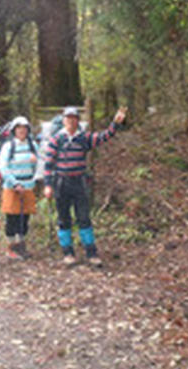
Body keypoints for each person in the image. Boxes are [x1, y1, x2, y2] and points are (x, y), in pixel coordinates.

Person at [43, 106, 127, 266]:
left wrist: (115, 124)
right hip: (61, 183)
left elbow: (104, 137)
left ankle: (91, 253)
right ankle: (68, 253)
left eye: (74, 118)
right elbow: (48, 165)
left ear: (77, 120)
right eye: (68, 118)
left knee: (84, 218)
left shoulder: (84, 138)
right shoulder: (56, 139)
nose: (71, 121)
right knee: (63, 219)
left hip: (79, 183)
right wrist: (48, 185)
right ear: (63, 120)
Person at [0, 116, 39, 260]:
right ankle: (10, 247)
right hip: (11, 187)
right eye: (19, 128)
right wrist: (15, 183)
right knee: (12, 217)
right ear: (14, 130)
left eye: (24, 128)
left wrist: (35, 161)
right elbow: (3, 167)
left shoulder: (33, 145)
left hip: (28, 186)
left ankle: (21, 245)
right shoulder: (8, 146)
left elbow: (40, 165)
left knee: (24, 217)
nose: (22, 131)